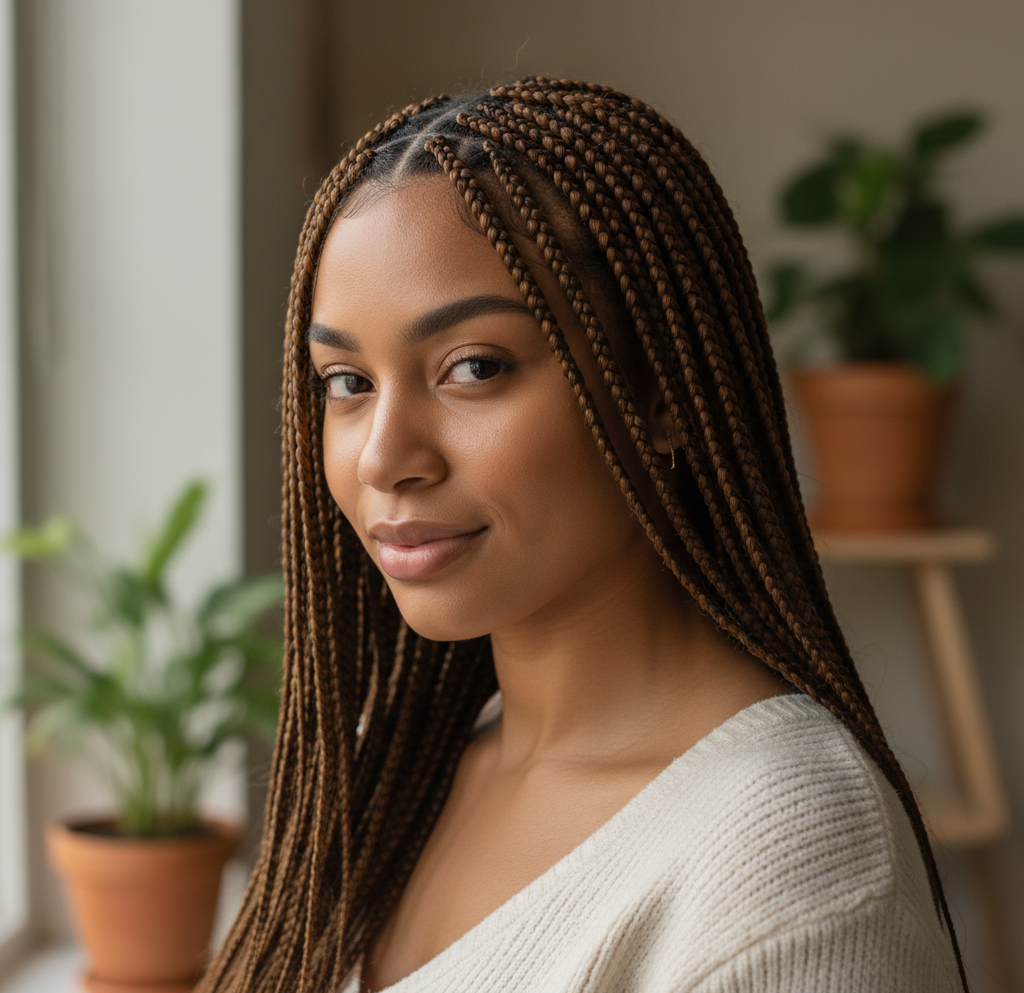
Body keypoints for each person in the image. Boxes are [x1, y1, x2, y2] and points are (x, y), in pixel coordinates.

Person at [199, 79, 964, 993]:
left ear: (666, 393)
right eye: (346, 381)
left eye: (473, 367)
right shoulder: (396, 772)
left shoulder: (793, 877)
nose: (383, 457)